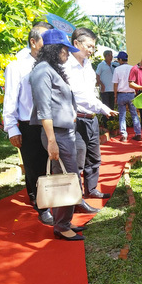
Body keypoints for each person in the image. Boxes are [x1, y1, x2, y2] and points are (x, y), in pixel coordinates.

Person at [29, 29, 87, 241]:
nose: (67, 54)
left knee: (68, 177)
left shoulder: (51, 70)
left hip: (65, 133)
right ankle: (61, 226)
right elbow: (44, 109)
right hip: (57, 135)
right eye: (64, 49)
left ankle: (64, 221)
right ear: (54, 49)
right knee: (67, 178)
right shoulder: (42, 71)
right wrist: (52, 141)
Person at [3, 21, 54, 225]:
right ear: (33, 42)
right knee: (35, 167)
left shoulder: (51, 63)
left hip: (50, 122)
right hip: (29, 125)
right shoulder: (17, 66)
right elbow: (10, 99)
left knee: (52, 164)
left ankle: (50, 198)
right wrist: (12, 128)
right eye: (45, 39)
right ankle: (43, 208)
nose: (50, 43)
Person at [65, 28, 118, 212]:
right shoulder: (65, 66)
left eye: (93, 47)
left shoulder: (88, 65)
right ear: (76, 44)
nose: (91, 50)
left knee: (94, 157)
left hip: (91, 118)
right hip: (76, 119)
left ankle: (92, 189)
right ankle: (76, 200)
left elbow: (91, 92)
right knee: (77, 161)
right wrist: (103, 108)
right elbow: (79, 95)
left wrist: (100, 109)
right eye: (89, 46)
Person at [112, 51, 142, 142]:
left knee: (122, 115)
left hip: (121, 94)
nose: (117, 61)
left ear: (120, 60)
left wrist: (115, 96)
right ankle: (138, 133)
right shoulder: (133, 68)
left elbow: (115, 84)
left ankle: (124, 135)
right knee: (134, 114)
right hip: (131, 94)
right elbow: (136, 82)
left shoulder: (117, 69)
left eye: (118, 59)